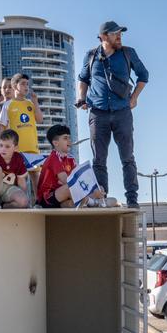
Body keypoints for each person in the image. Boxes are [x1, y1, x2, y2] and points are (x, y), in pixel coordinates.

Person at [76, 21, 149, 209]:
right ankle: (102, 198)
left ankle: (132, 199)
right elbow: (83, 79)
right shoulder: (91, 55)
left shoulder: (127, 53)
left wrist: (134, 97)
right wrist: (81, 97)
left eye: (120, 34)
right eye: (115, 34)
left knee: (127, 157)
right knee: (98, 159)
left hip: (122, 112)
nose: (119, 37)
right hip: (97, 113)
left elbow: (144, 75)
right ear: (103, 37)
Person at [37, 125, 106, 208]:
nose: (69, 141)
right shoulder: (54, 157)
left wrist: (94, 189)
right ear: (56, 143)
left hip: (61, 198)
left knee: (98, 188)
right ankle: (93, 203)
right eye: (65, 138)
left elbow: (79, 179)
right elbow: (68, 181)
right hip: (47, 198)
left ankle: (85, 201)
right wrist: (91, 192)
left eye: (69, 138)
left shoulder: (70, 159)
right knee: (70, 187)